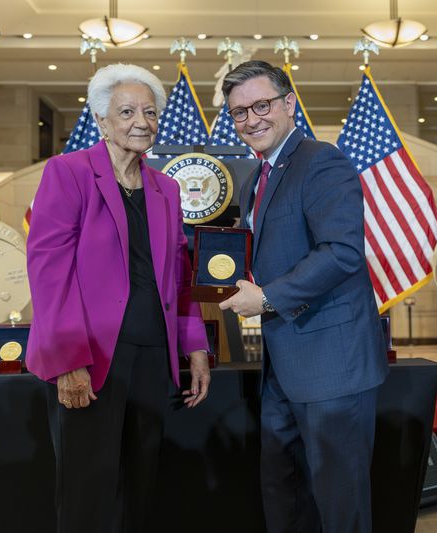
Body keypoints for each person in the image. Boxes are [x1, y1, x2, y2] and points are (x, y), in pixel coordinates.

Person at [26, 63, 211, 533]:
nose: (141, 122)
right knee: (87, 491)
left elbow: (180, 277)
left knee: (141, 488)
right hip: (91, 356)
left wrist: (195, 347)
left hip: (153, 356)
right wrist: (68, 360)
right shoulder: (67, 172)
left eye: (149, 112)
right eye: (126, 111)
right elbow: (50, 273)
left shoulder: (166, 188)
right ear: (102, 121)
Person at [217, 60, 387, 533]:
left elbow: (342, 253)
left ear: (289, 104)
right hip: (282, 363)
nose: (250, 119)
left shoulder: (321, 160)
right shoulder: (255, 177)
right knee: (285, 497)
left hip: (332, 364)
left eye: (261, 105)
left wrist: (267, 297)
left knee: (340, 506)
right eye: (238, 112)